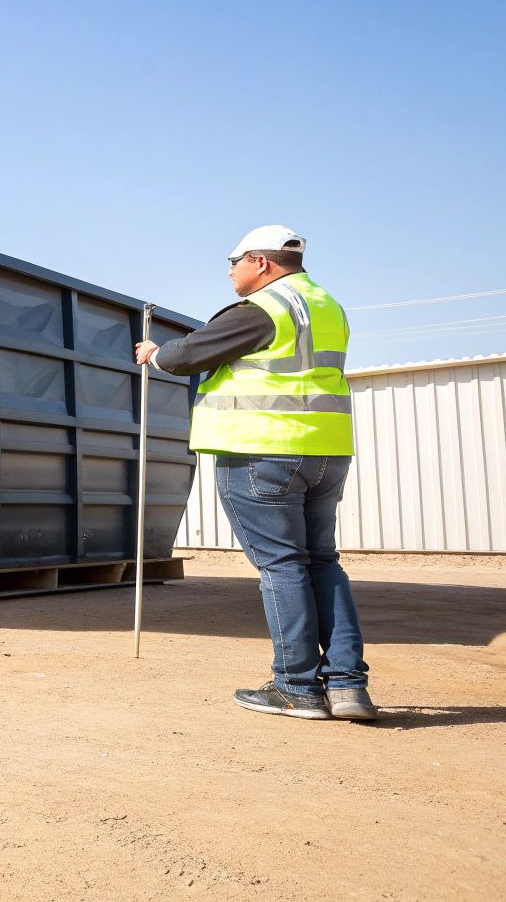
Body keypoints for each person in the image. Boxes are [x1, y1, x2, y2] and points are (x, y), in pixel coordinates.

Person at [133, 225, 378, 721]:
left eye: (233, 262)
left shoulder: (265, 307)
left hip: (260, 452)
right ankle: (348, 685)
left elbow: (188, 354)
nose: (229, 272)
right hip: (325, 451)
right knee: (322, 562)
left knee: (282, 567)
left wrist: (154, 354)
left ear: (260, 262)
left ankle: (296, 688)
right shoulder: (328, 306)